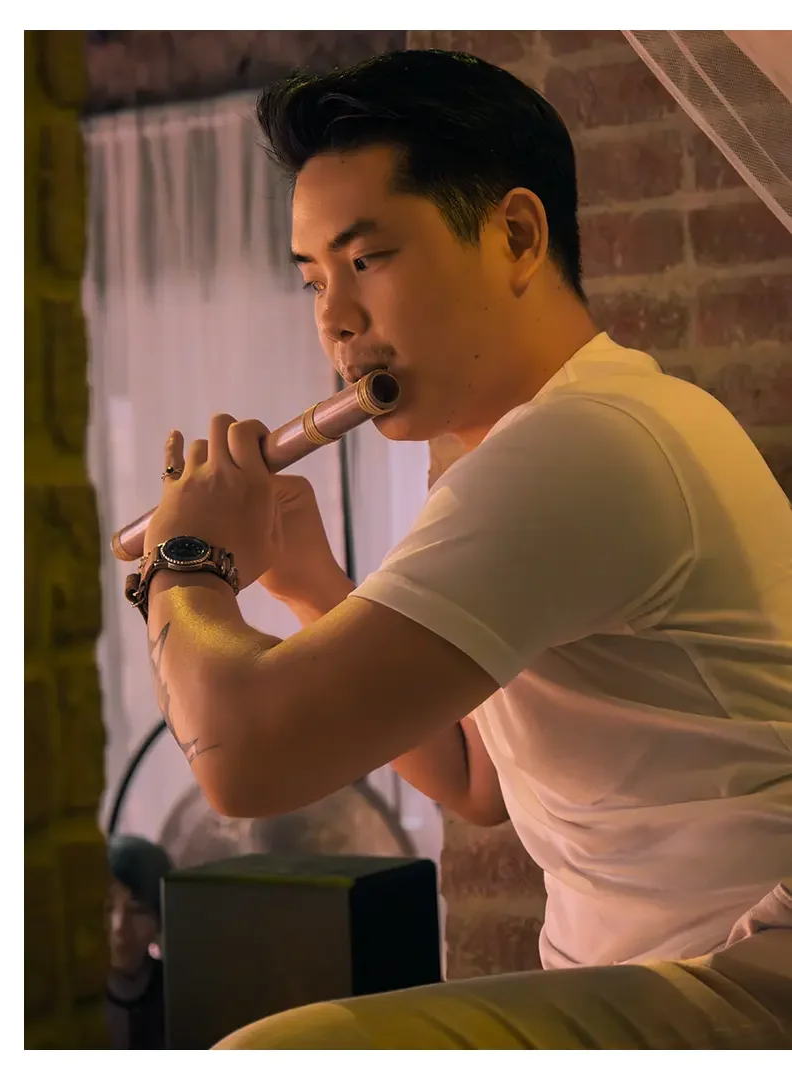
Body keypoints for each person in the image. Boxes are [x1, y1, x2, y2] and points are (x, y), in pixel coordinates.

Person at [130, 50, 792, 1049]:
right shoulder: (525, 450)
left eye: (368, 261)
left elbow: (242, 759)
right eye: (313, 279)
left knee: (270, 1058)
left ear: (516, 236)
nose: (335, 319)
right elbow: (478, 781)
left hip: (743, 984)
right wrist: (312, 589)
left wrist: (184, 559)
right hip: (653, 980)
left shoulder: (583, 443)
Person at [105, 834, 171, 1050]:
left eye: (137, 910)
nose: (119, 926)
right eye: (106, 908)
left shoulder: (176, 994)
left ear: (160, 921)